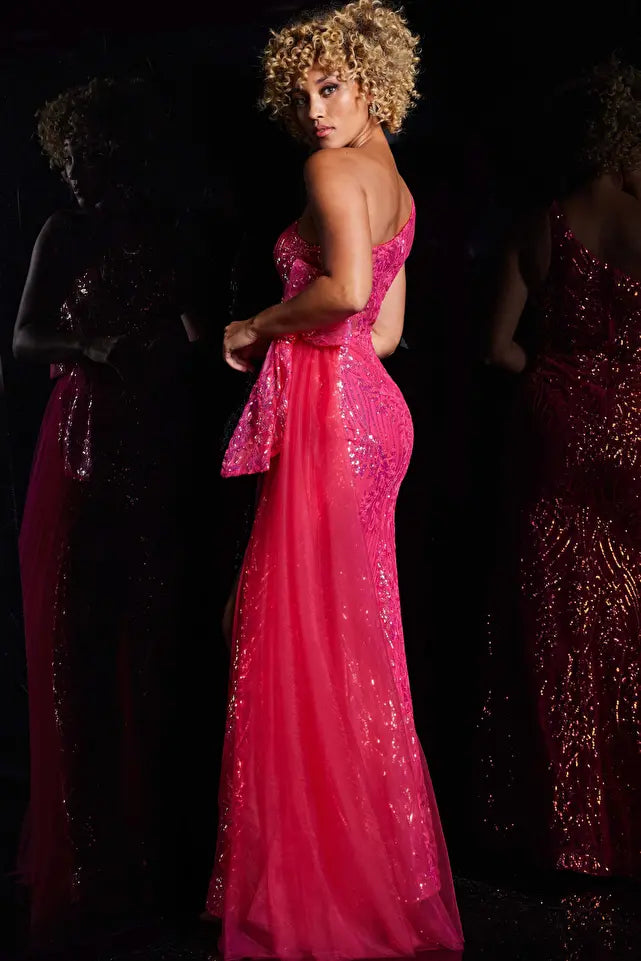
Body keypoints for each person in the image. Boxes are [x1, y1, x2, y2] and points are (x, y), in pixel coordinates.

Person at [203, 2, 464, 957]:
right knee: (342, 643)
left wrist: (254, 326)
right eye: (303, 93)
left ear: (373, 85)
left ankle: (321, 888)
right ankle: (357, 872)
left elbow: (347, 294)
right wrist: (312, 347)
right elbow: (383, 332)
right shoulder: (398, 187)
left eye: (332, 87)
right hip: (372, 413)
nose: (314, 110)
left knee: (296, 637)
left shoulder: (328, 173)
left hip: (333, 420)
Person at [14, 76, 205, 942]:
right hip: (80, 445)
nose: (76, 174)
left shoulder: (168, 233)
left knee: (154, 647)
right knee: (75, 644)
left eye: (89, 158)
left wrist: (179, 343)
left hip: (154, 443)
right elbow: (23, 337)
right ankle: (86, 856)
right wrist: (88, 343)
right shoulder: (64, 231)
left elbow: (200, 334)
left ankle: (155, 851)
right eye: (68, 160)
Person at [485, 58, 641, 876]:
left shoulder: (538, 223)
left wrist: (560, 375)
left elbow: (496, 348)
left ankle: (570, 832)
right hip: (635, 429)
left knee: (557, 623)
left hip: (554, 431)